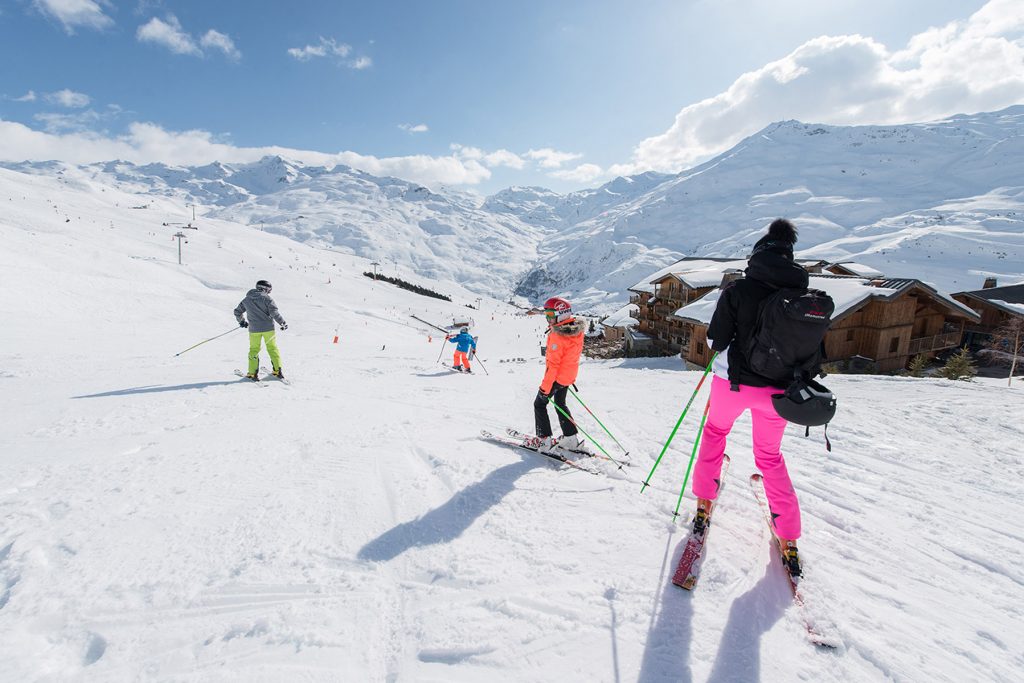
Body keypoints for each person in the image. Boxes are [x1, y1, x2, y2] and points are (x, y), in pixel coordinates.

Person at [692, 219, 808, 575]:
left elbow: (717, 339)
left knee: (714, 434)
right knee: (769, 457)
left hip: (733, 384)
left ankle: (703, 503)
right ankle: (787, 533)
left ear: (757, 255)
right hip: (779, 392)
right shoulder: (804, 296)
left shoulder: (739, 290)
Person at [534, 297, 589, 454]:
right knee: (560, 403)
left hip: (557, 378)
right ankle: (571, 439)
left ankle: (544, 440)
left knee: (539, 404)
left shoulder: (557, 336)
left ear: (562, 314)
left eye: (550, 314)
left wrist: (545, 388)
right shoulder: (576, 330)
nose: (548, 318)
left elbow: (553, 366)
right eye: (546, 314)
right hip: (568, 377)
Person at [234, 280, 288, 380]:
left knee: (254, 350)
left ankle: (252, 373)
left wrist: (242, 321)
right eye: (269, 290)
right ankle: (277, 371)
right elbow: (274, 313)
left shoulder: (247, 299)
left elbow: (237, 311)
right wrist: (282, 322)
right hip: (268, 329)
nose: (269, 292)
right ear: (265, 289)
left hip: (254, 329)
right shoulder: (267, 298)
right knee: (272, 348)